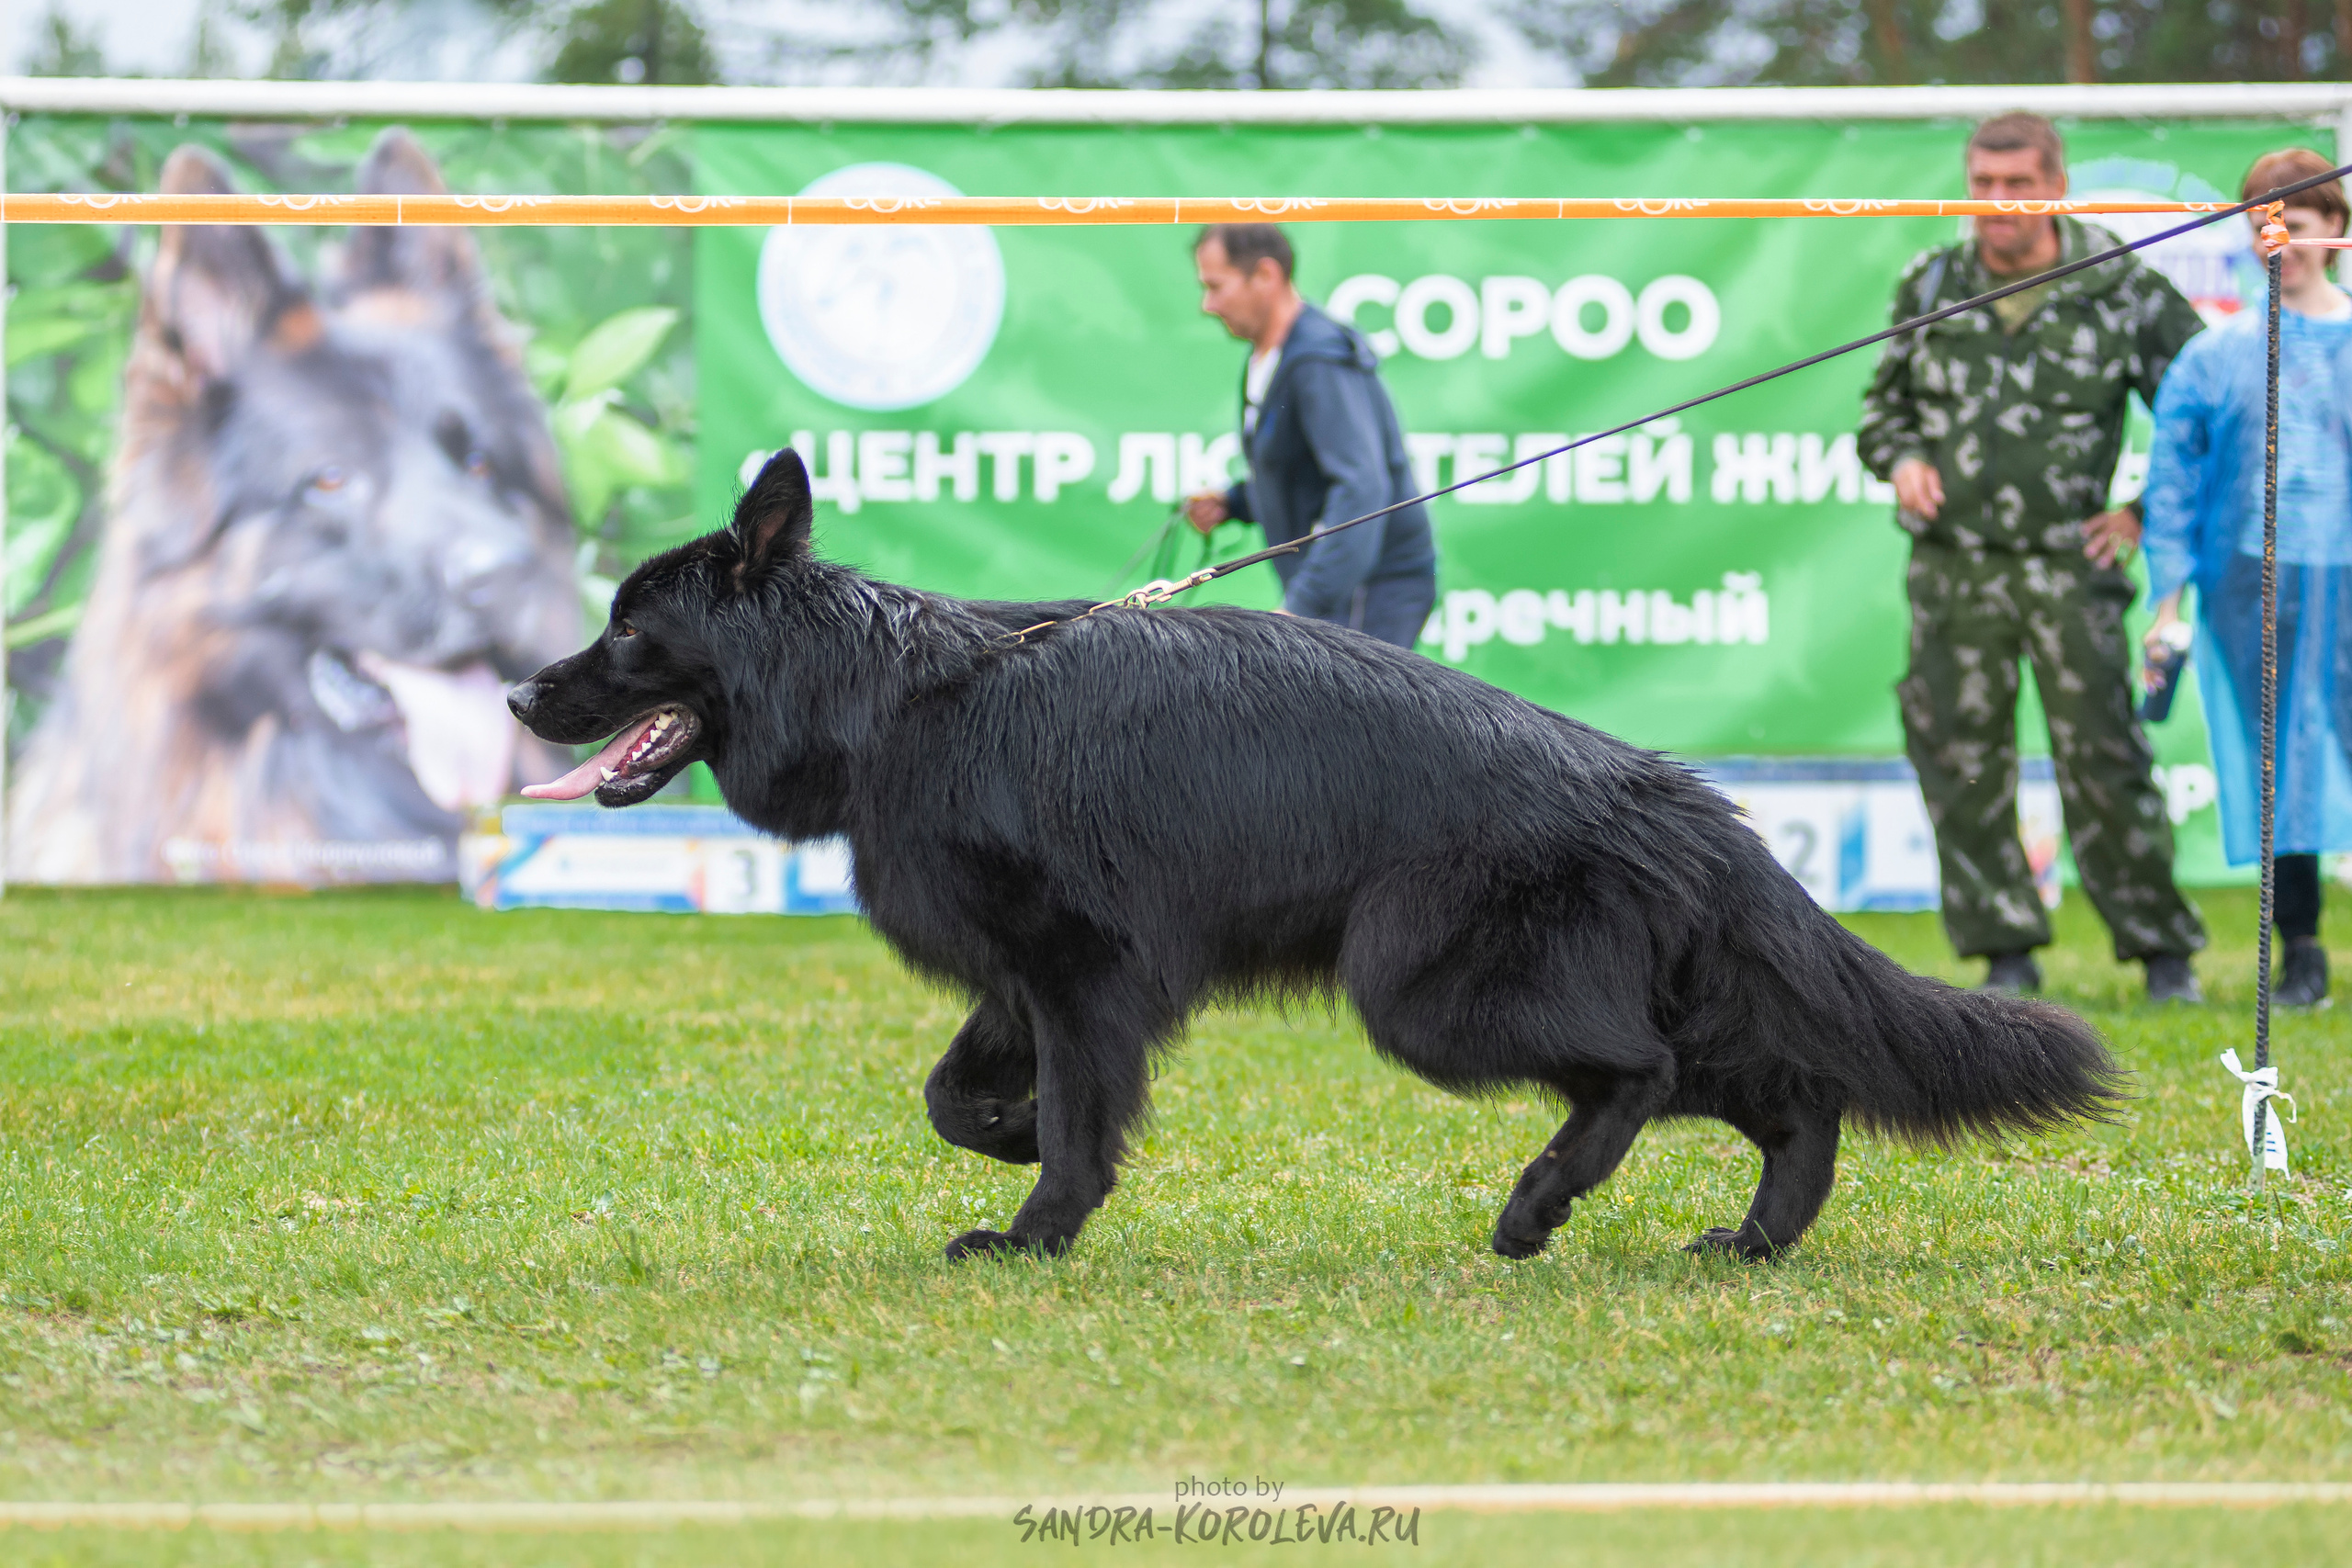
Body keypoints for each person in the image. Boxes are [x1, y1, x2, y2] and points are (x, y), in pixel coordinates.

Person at [1859, 111, 2210, 1000]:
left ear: (2055, 185)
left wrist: (2139, 511)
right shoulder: (1931, 281)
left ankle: (2161, 954)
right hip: (1954, 568)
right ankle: (2003, 953)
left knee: (2106, 758)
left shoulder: (2120, 287)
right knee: (1959, 759)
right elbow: (1882, 411)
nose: (1998, 201)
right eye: (1983, 183)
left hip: (2070, 568)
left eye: (2018, 184)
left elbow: (2204, 412)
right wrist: (1902, 460)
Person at [2142, 150, 2352, 1009]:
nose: (2280, 242)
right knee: (2282, 763)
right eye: (2264, 224)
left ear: (2334, 228)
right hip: (2254, 590)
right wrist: (2167, 604)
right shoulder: (2215, 355)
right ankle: (2302, 951)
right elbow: (2173, 483)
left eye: (2296, 223)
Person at [1184, 223, 1437, 648]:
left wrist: (1303, 607)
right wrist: (1233, 502)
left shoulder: (1317, 361)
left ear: (1265, 275)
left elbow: (1362, 487)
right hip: (1341, 589)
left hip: (1368, 589)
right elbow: (1301, 470)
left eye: (1215, 286)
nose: (1207, 305)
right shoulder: (1271, 356)